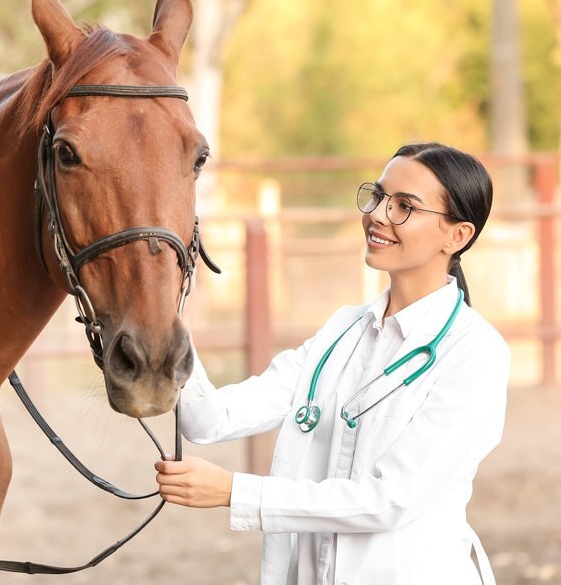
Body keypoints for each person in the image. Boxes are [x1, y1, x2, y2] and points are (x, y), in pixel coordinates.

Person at [155, 142, 510, 584]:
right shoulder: (343, 331)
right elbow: (209, 418)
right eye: (378, 196)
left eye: (405, 207)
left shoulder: (475, 353)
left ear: (457, 236)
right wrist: (163, 317)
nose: (378, 215)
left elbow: (388, 499)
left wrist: (234, 492)